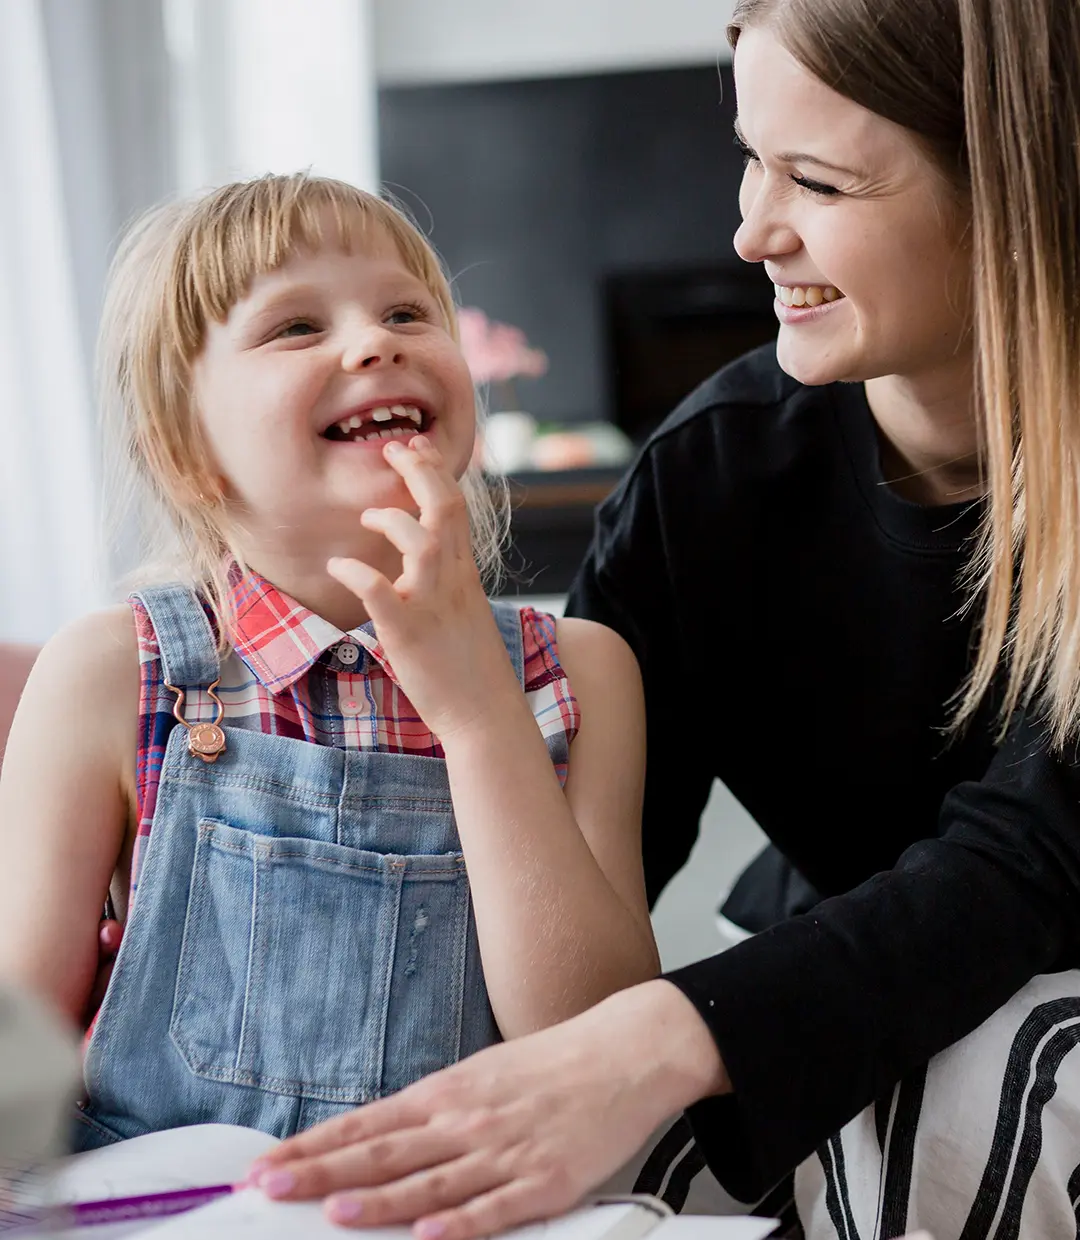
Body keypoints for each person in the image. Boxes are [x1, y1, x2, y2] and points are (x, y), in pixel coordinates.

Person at [239, 1, 1080, 1236]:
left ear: (1014, 195)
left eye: (817, 180)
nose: (750, 231)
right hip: (832, 981)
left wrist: (662, 1037)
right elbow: (570, 893)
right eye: (750, 158)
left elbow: (1032, 860)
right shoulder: (709, 481)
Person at [0, 173, 658, 1151]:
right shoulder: (110, 674)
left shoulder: (582, 673)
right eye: (297, 326)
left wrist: (479, 714)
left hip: (459, 1209)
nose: (376, 342)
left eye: (406, 312)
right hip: (164, 1209)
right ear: (184, 448)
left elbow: (594, 1044)